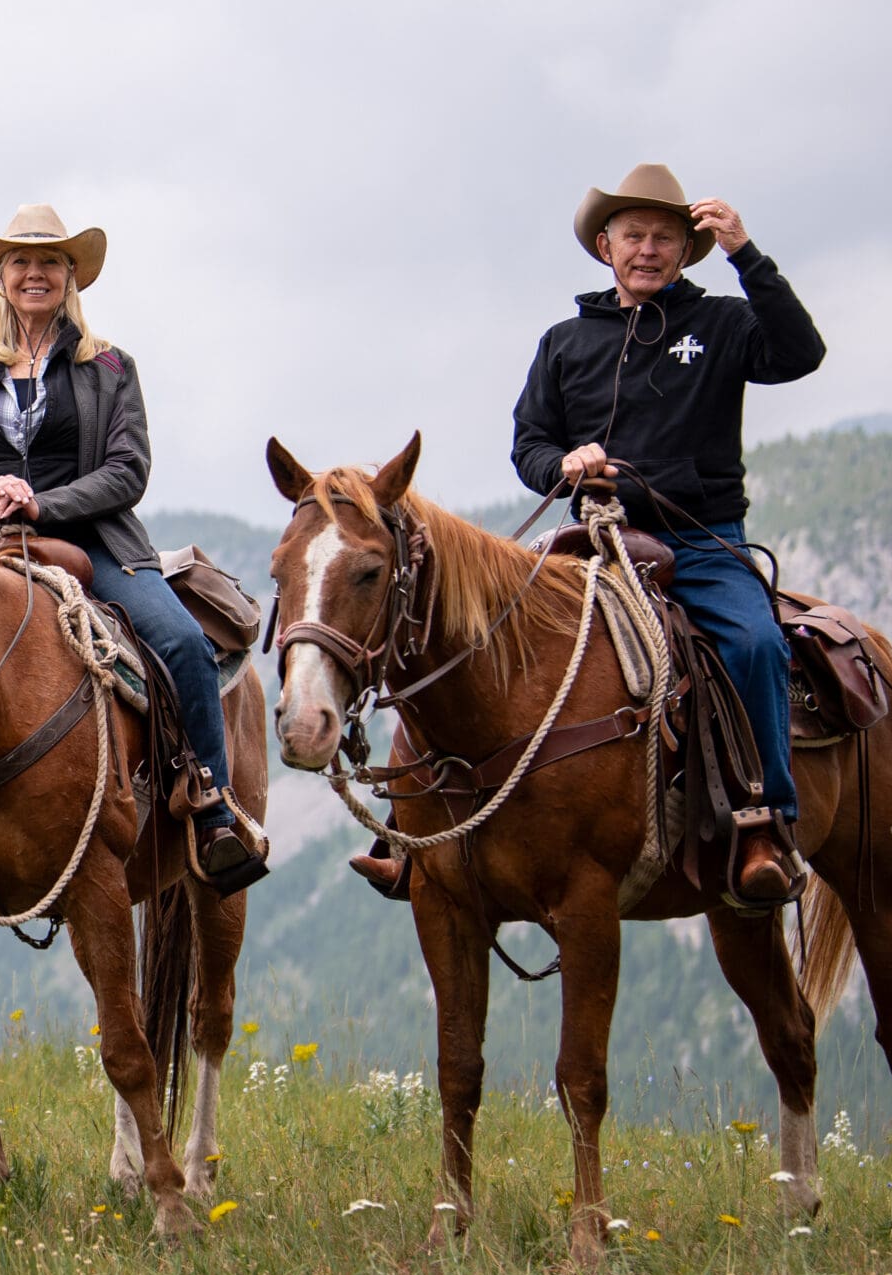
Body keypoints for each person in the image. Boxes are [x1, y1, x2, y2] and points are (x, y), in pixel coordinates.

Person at [352, 164, 824, 907]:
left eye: (665, 238)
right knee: (473, 633)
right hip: (593, 547)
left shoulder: (724, 325)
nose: (648, 249)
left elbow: (801, 354)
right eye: (633, 235)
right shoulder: (566, 341)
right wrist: (564, 465)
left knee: (756, 643)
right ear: (606, 245)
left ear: (684, 251)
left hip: (701, 545)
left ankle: (766, 824)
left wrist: (747, 253)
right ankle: (406, 829)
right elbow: (529, 444)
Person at [0, 205, 264, 894]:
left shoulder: (110, 365)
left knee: (180, 641)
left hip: (97, 542)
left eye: (49, 261)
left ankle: (211, 801)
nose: (35, 273)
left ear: (70, 274)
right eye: (21, 261)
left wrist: (42, 502)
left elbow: (127, 470)